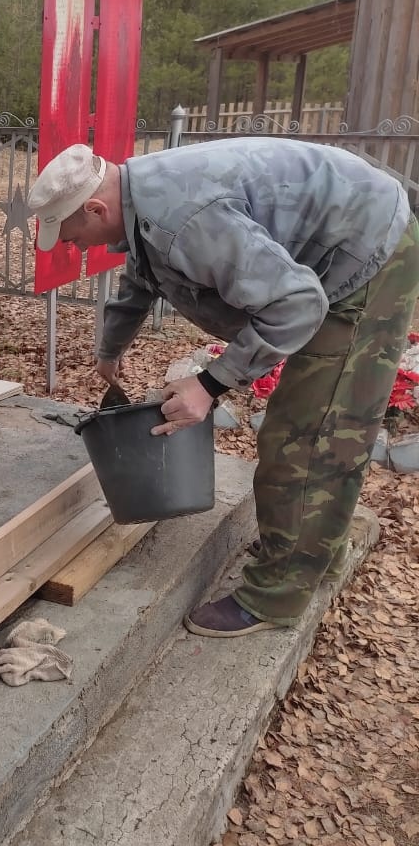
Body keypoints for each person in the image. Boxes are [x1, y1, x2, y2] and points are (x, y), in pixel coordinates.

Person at [26, 138, 419, 638]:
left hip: (366, 254)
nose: (71, 246)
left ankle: (275, 594)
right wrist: (110, 348)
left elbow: (296, 306)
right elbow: (143, 276)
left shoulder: (186, 217)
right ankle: (312, 549)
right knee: (309, 421)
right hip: (334, 245)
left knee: (311, 434)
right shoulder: (141, 195)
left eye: (69, 233)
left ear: (97, 207)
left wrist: (208, 384)